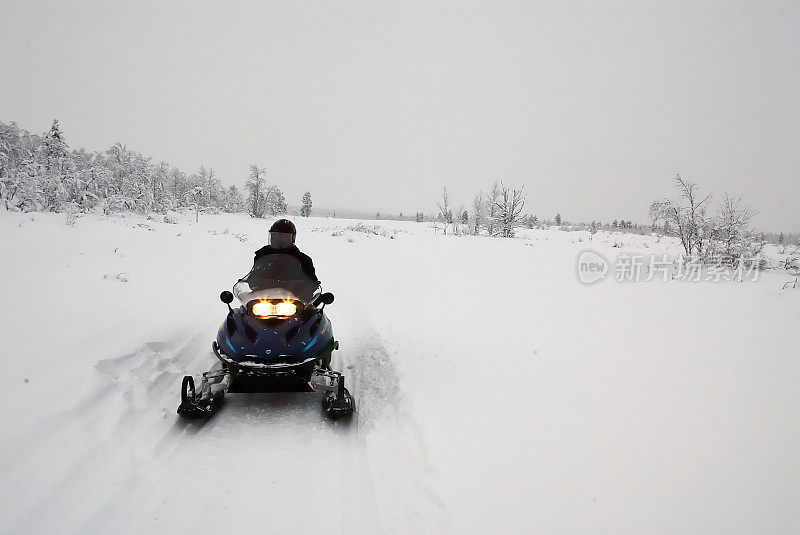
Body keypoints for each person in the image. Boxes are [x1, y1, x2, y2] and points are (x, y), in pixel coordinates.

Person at [253, 219, 319, 284]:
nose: (279, 239)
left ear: (292, 238)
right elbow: (253, 278)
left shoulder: (303, 260)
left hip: (293, 293)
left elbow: (312, 283)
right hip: (264, 292)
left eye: (284, 237)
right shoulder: (262, 254)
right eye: (275, 236)